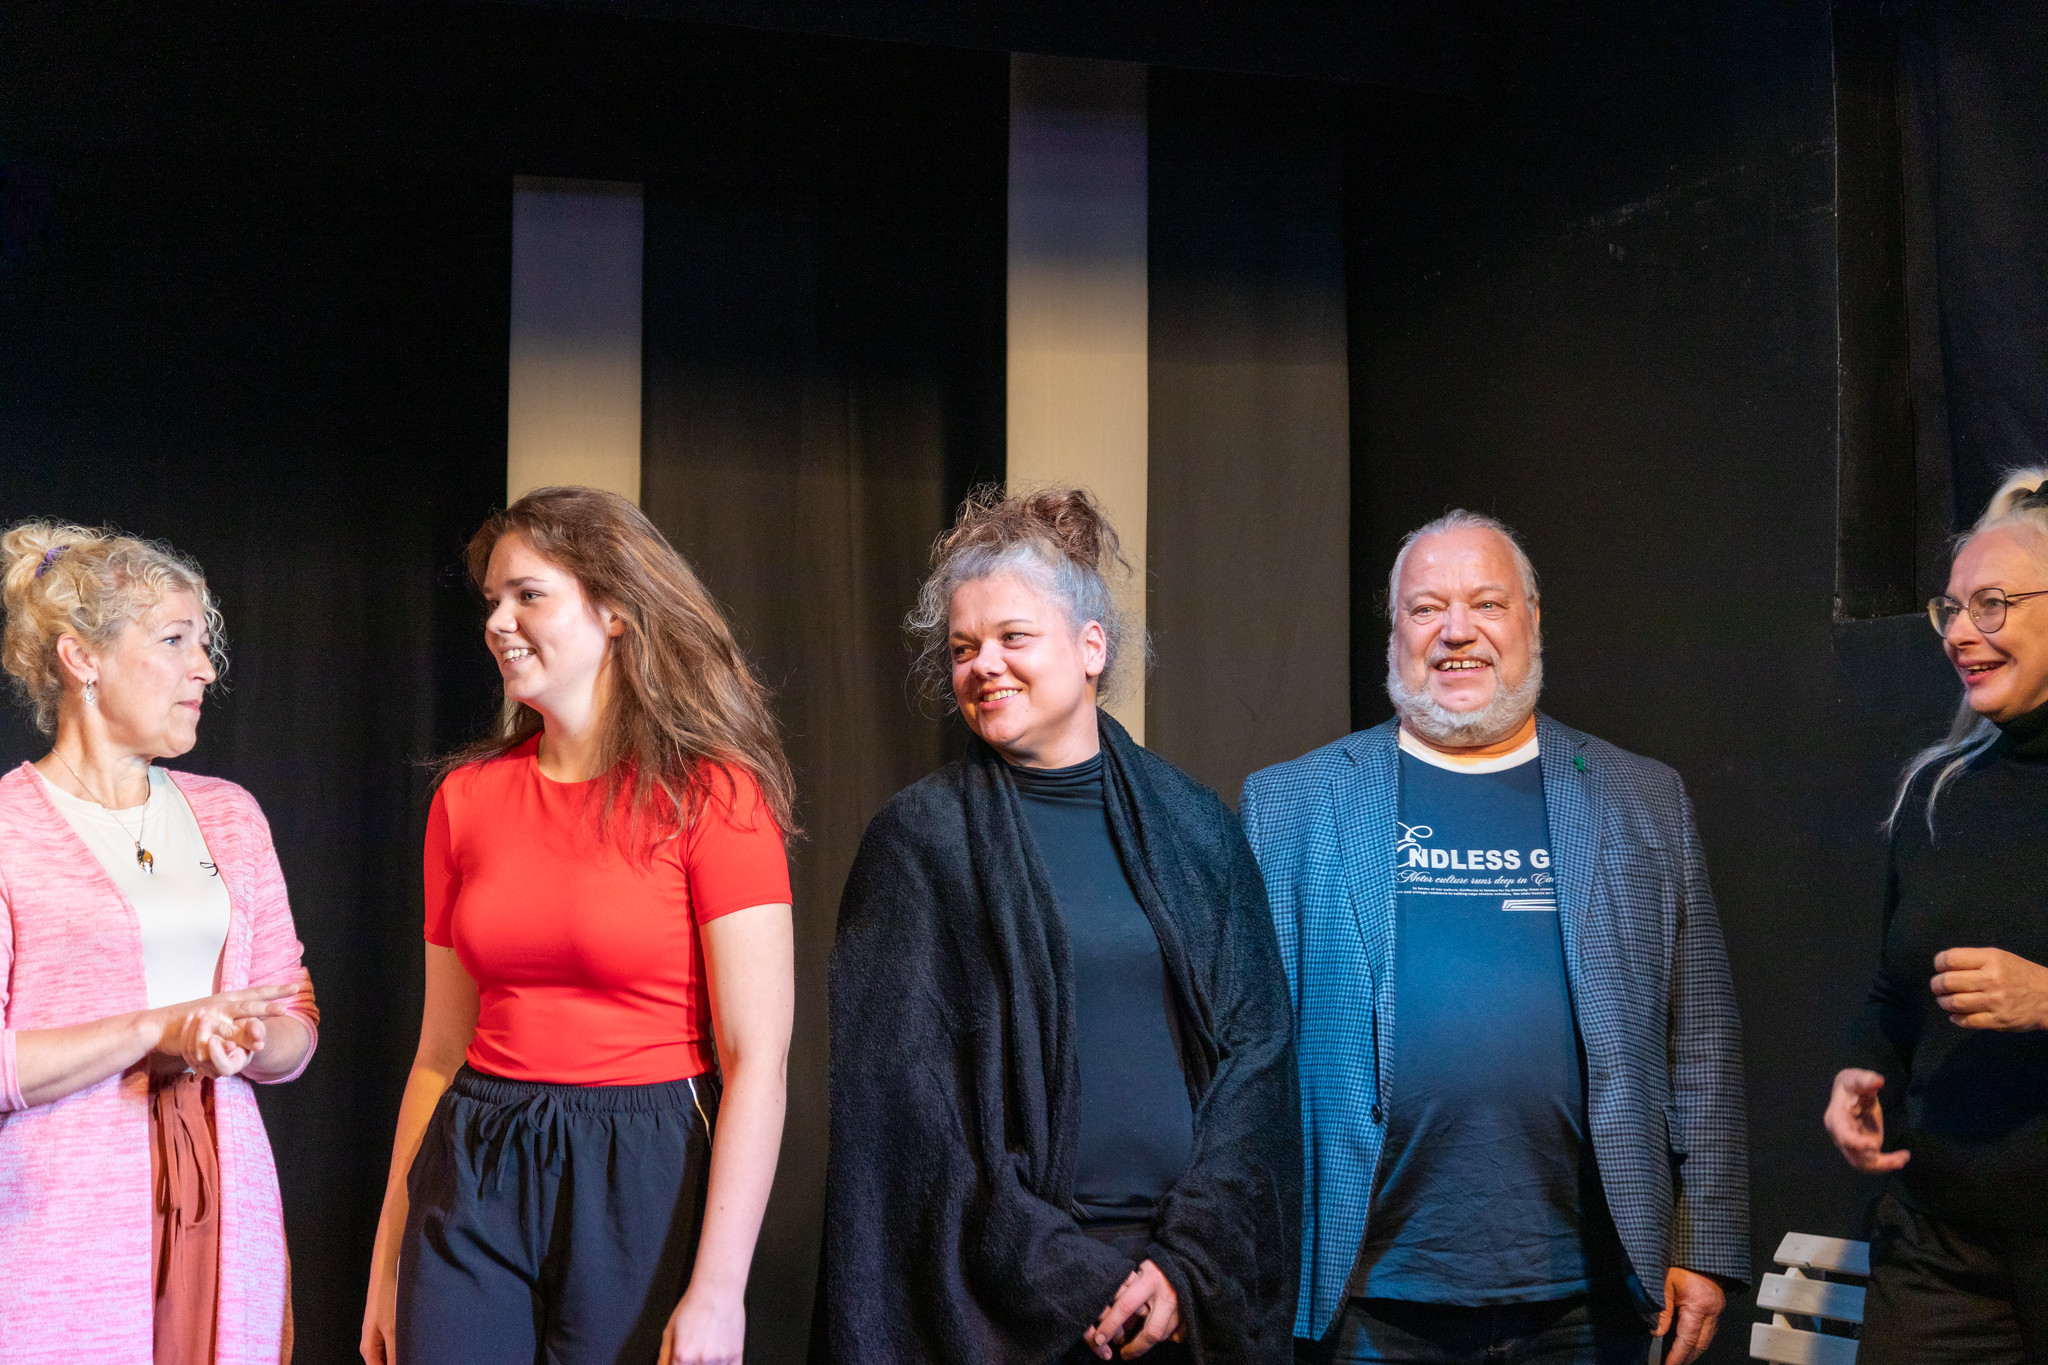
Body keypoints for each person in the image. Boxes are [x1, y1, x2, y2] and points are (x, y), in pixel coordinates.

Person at [1243, 510, 1749, 1365]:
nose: (1456, 631)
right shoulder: (1290, 804)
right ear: (1395, 633)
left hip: (1592, 1293)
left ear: (1532, 620)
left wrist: (1704, 1240)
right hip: (1363, 1297)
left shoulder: (1641, 797)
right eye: (1425, 608)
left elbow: (1699, 1031)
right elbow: (1247, 1055)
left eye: (1486, 603)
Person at [821, 487, 1300, 1364]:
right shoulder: (918, 843)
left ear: (1090, 647)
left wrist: (1186, 1263)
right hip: (1009, 1300)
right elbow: (908, 1119)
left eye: (1012, 637)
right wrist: (1069, 1275)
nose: (983, 665)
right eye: (963, 648)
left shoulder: (1196, 825)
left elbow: (1256, 1055)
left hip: (1184, 1293)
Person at [359, 486, 796, 1365]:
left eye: (528, 594)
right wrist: (386, 1260)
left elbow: (758, 1057)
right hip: (475, 1154)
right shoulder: (465, 800)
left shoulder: (715, 795)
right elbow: (438, 1051)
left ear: (616, 611)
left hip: (642, 1162)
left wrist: (720, 1290)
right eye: (493, 599)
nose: (498, 622)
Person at [0, 520, 319, 1365]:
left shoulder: (231, 816)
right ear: (83, 658)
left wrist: (245, 1036)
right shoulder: (8, 829)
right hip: (61, 1221)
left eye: (202, 643)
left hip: (222, 1208)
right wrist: (161, 1029)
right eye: (175, 640)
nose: (204, 668)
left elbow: (293, 1016)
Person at [1825, 468, 2048, 1364]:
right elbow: (1895, 993)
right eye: (1951, 609)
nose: (1959, 632)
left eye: (1992, 605)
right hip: (1939, 1249)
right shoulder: (1939, 792)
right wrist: (1864, 1073)